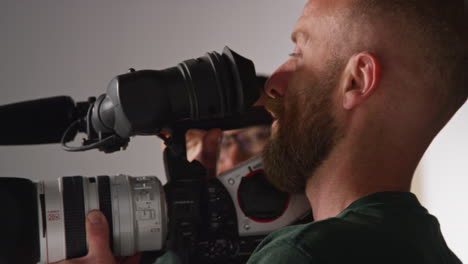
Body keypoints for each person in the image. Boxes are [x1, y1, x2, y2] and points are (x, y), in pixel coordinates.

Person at [53, 0, 467, 263]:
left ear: (357, 80)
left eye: (298, 53)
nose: (274, 83)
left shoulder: (304, 254)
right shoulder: (432, 252)